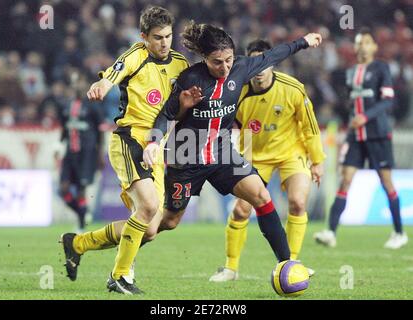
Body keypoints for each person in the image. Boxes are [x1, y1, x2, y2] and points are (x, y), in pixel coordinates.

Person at [143, 22, 322, 275]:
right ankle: (127, 252)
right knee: (168, 222)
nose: (225, 67)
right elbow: (167, 114)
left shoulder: (241, 67)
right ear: (205, 58)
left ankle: (287, 264)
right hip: (186, 155)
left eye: (228, 60)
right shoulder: (190, 79)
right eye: (217, 62)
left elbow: (274, 55)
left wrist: (303, 41)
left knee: (261, 196)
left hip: (222, 153)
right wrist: (153, 142)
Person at [59, 6, 189, 294]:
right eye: (157, 37)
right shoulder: (136, 55)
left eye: (168, 36)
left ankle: (78, 243)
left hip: (156, 148)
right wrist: (104, 84)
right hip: (129, 140)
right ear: (144, 37)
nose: (164, 42)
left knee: (151, 228)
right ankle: (120, 277)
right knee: (149, 208)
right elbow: (116, 71)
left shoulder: (180, 64)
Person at [206, 40, 325, 282]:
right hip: (253, 152)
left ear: (272, 64)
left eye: (265, 64)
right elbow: (225, 124)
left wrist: (317, 160)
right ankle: (230, 268)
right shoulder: (236, 90)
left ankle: (291, 264)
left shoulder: (292, 88)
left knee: (297, 203)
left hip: (291, 152)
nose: (260, 70)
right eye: (255, 65)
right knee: (241, 209)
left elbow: (310, 126)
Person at [313, 28, 408, 249]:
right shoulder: (350, 72)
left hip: (377, 134)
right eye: (358, 43)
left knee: (386, 182)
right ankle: (330, 232)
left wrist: (365, 116)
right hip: (356, 135)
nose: (362, 46)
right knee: (345, 179)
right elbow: (349, 103)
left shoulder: (381, 68)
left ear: (374, 47)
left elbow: (388, 101)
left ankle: (399, 233)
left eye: (366, 42)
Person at [56, 73, 105, 233]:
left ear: (86, 86)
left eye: (81, 83)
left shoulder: (93, 106)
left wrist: (100, 154)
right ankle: (82, 213)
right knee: (63, 189)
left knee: (82, 190)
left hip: (87, 153)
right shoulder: (66, 106)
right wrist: (58, 145)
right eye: (75, 83)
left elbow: (101, 132)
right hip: (70, 153)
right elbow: (64, 128)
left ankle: (81, 225)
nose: (77, 86)